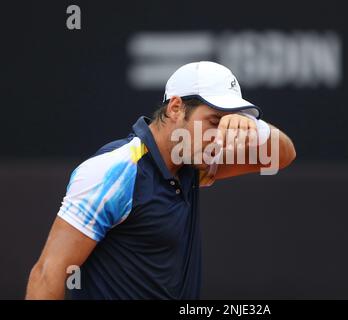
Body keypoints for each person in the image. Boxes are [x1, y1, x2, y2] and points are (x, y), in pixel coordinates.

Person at [26, 61, 296, 299]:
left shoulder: (194, 161)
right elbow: (47, 276)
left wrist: (255, 127)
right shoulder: (115, 171)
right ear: (176, 108)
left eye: (227, 124)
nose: (220, 136)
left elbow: (283, 156)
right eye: (214, 121)